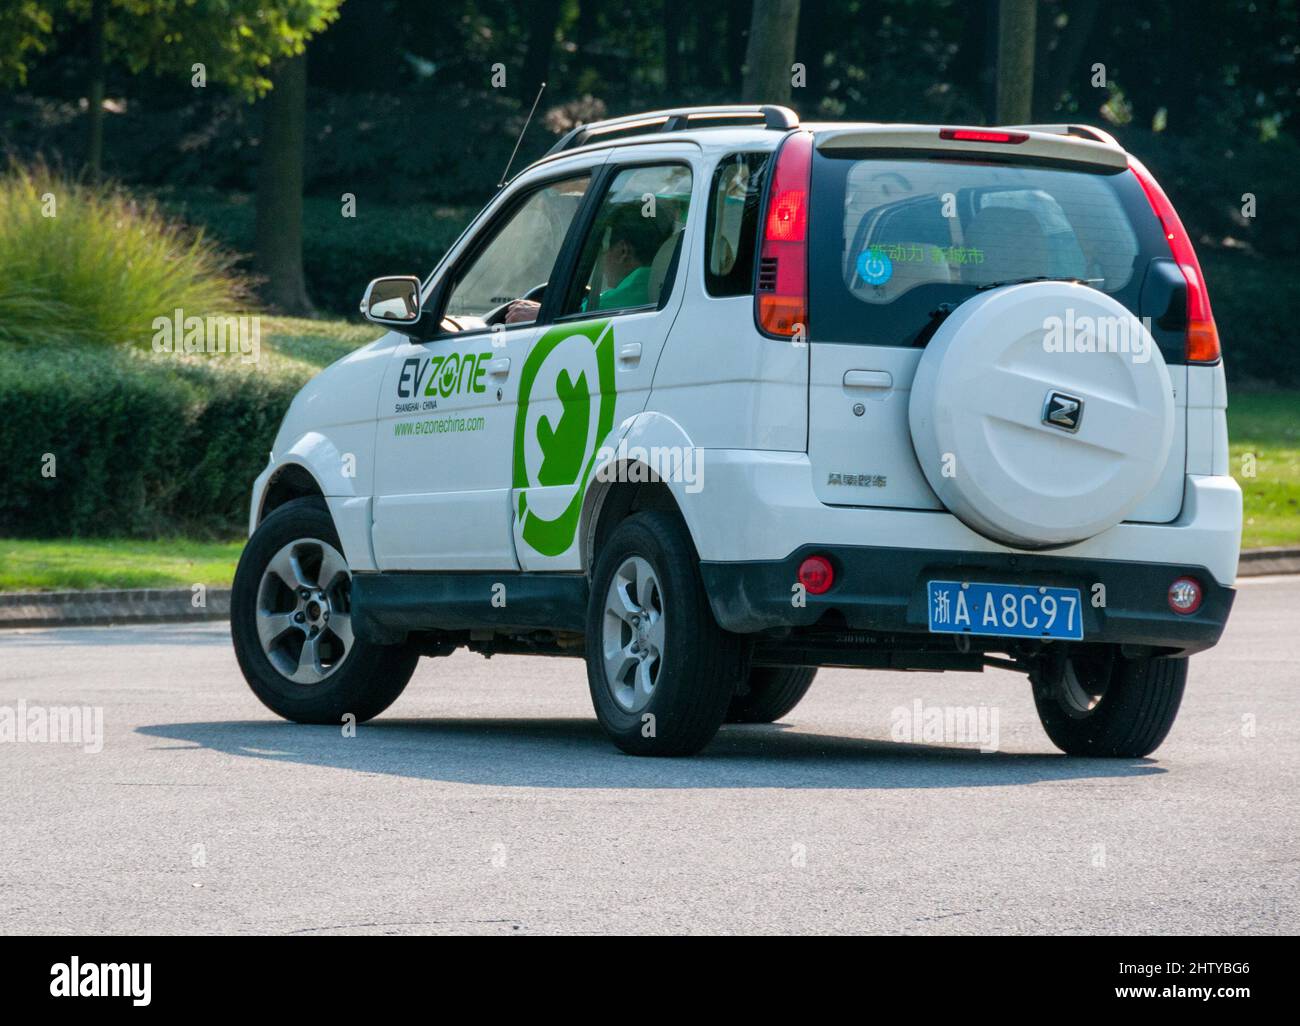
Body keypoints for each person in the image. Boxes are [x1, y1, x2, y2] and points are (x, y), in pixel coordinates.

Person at [503, 203, 668, 323]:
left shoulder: (627, 295)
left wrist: (541, 314)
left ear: (622, 251)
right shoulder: (663, 284)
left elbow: (571, 320)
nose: (601, 265)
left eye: (600, 251)